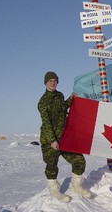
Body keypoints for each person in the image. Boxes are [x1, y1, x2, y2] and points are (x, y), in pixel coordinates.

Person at [38, 71, 91, 203]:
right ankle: (54, 190)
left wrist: (70, 99)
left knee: (79, 160)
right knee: (52, 166)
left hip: (64, 138)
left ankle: (76, 186)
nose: (53, 82)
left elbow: (63, 108)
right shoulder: (43, 101)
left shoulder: (59, 95)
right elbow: (46, 122)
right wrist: (52, 140)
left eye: (55, 80)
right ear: (45, 83)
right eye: (50, 81)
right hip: (50, 140)